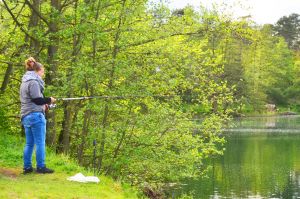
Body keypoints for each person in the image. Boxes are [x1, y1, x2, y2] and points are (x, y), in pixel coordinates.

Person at [20, 58, 56, 174]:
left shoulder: (25, 81)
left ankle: (27, 167)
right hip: (35, 116)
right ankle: (41, 167)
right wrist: (49, 100)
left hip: (26, 115)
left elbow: (32, 100)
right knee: (40, 142)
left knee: (29, 143)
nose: (43, 74)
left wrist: (44, 104)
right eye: (42, 72)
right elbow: (37, 100)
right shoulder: (34, 82)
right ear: (38, 70)